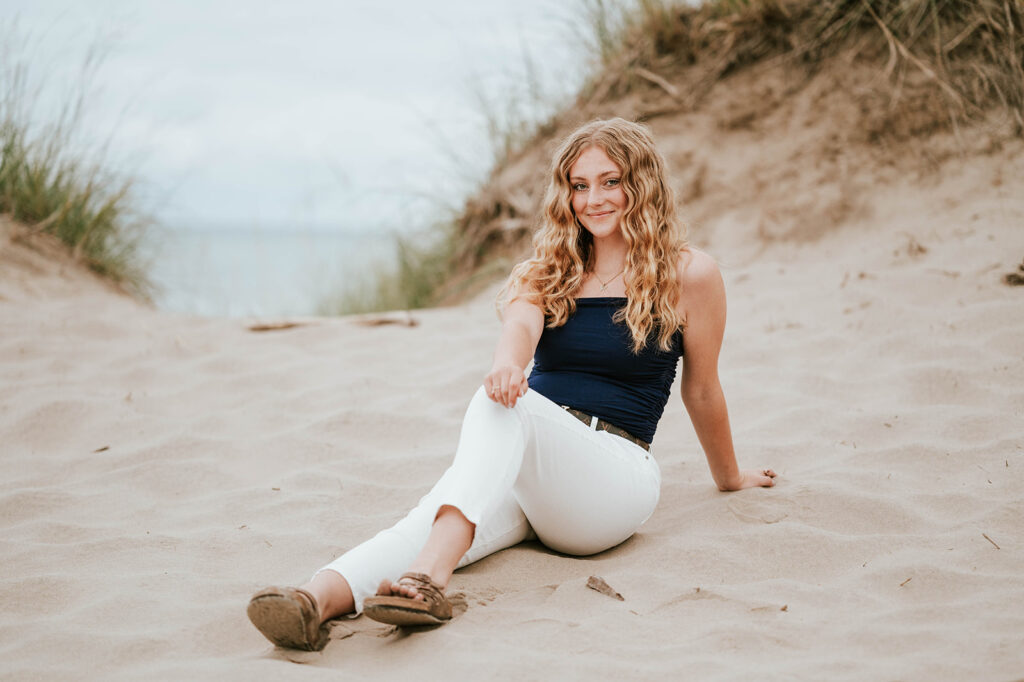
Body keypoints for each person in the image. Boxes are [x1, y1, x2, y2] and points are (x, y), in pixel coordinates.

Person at [246, 117, 777, 651]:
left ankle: (429, 578)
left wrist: (730, 477)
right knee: (430, 518)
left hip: (612, 481)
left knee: (505, 409)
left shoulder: (690, 274)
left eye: (611, 181)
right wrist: (506, 364)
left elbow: (702, 388)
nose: (594, 198)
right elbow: (520, 328)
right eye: (579, 184)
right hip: (533, 475)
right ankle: (312, 603)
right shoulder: (545, 270)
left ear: (643, 184)